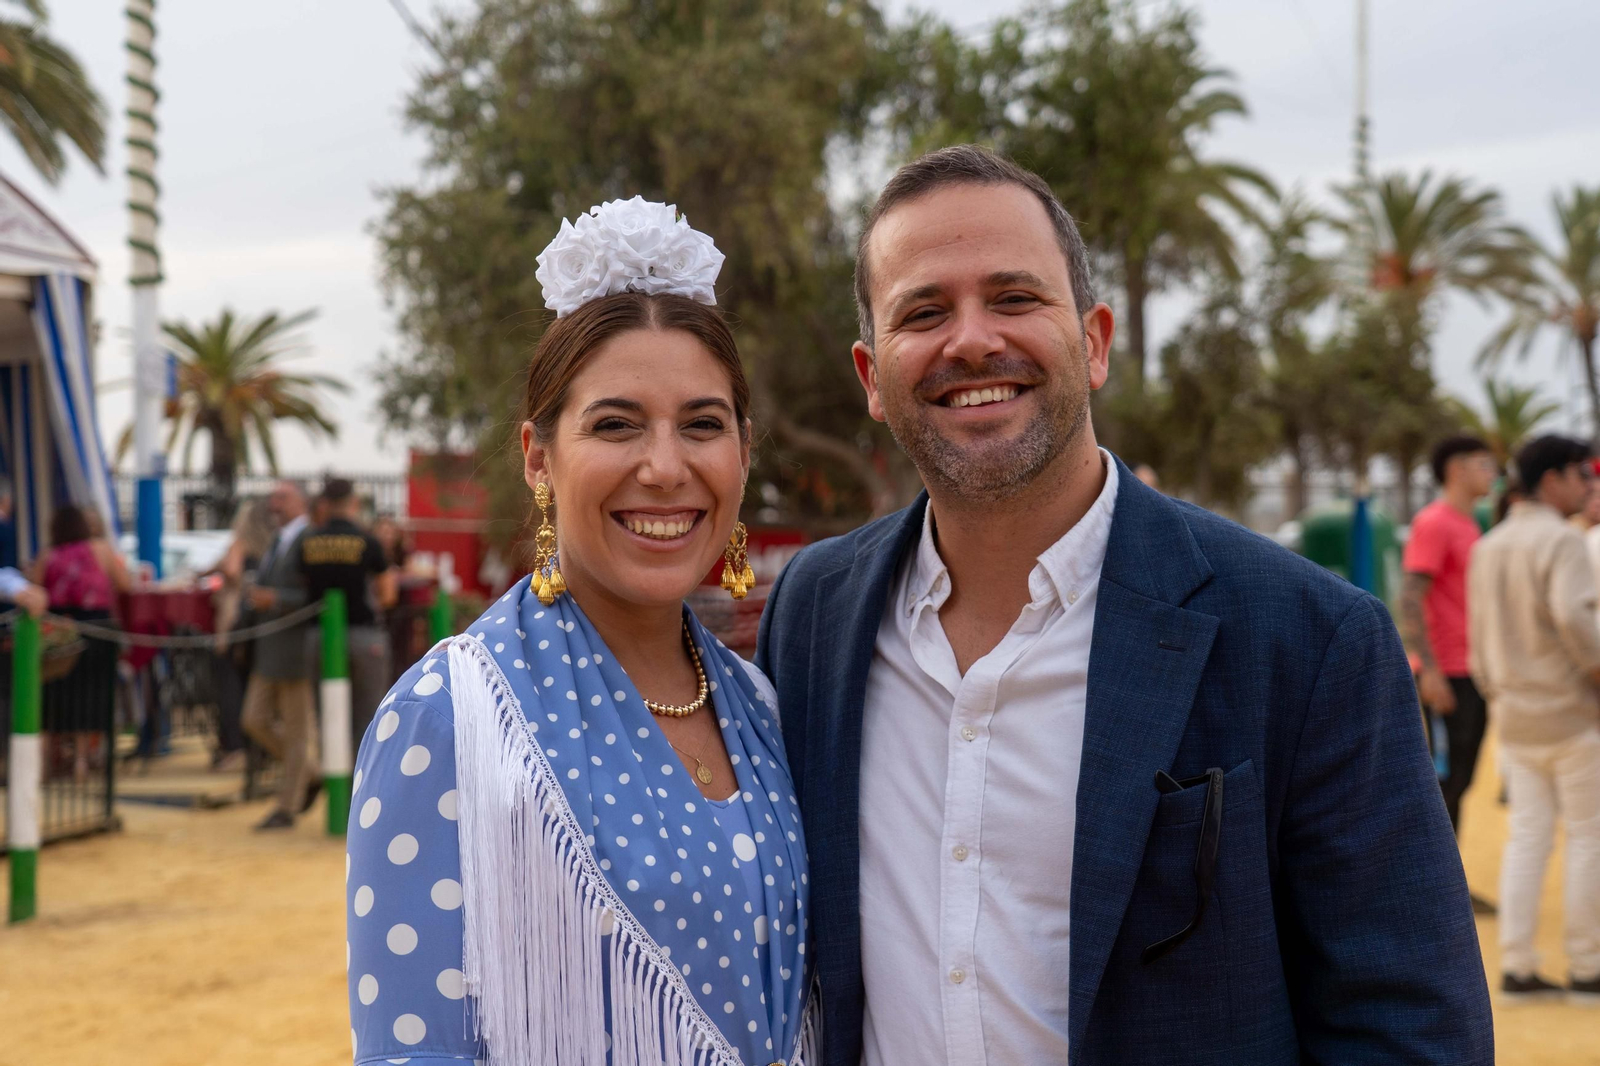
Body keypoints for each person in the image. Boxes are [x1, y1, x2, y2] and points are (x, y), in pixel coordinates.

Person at [756, 145, 1491, 1065]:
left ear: (1094, 342)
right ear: (871, 374)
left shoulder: (1308, 638)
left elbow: (1413, 1030)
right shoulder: (815, 616)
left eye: (1016, 298)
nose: (973, 340)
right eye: (925, 311)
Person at [346, 199, 814, 1066]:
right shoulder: (447, 719)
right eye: (615, 423)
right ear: (537, 458)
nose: (666, 467)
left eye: (702, 425)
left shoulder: (759, 705)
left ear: (743, 453)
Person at [1468, 434, 1600, 1003]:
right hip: (1571, 714)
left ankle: (1518, 965)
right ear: (1552, 479)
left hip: (1513, 714)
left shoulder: (1488, 544)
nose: (1587, 485)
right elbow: (1577, 620)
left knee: (1528, 840)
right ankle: (1588, 966)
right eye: (1581, 473)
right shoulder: (1562, 542)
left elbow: (1477, 643)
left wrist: (1498, 692)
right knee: (1589, 840)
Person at [1399, 434, 1499, 913]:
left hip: (1470, 670)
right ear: (1456, 469)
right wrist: (1430, 672)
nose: (1492, 472)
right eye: (1484, 464)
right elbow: (1410, 597)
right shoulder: (1435, 523)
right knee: (1442, 787)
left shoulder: (1468, 524)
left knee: (1459, 783)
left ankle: (1447, 887)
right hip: (1445, 675)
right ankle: (1435, 893)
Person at [29, 505, 132, 783]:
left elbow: (34, 592)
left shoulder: (47, 555)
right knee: (91, 693)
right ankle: (82, 762)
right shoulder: (100, 549)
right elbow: (125, 584)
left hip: (60, 631)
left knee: (57, 695)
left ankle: (48, 763)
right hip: (97, 630)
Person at [241, 481, 319, 830]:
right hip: (269, 648)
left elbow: (316, 597)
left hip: (295, 650)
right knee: (253, 719)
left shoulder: (308, 540)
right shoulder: (277, 540)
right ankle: (311, 772)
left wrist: (275, 600)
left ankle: (286, 807)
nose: (275, 503)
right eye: (273, 498)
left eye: (282, 497)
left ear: (301, 501)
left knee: (298, 728)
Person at [297, 478, 397, 749]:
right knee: (368, 719)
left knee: (328, 719)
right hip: (364, 636)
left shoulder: (308, 541)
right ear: (353, 503)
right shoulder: (367, 541)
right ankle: (362, 784)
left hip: (320, 637)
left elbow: (299, 588)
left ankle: (334, 781)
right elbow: (388, 594)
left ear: (325, 504)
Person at [208, 499, 276, 771]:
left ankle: (235, 748)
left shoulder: (240, 543)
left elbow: (232, 571)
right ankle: (258, 750)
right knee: (251, 686)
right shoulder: (272, 545)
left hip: (235, 623)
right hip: (261, 626)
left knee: (229, 685)